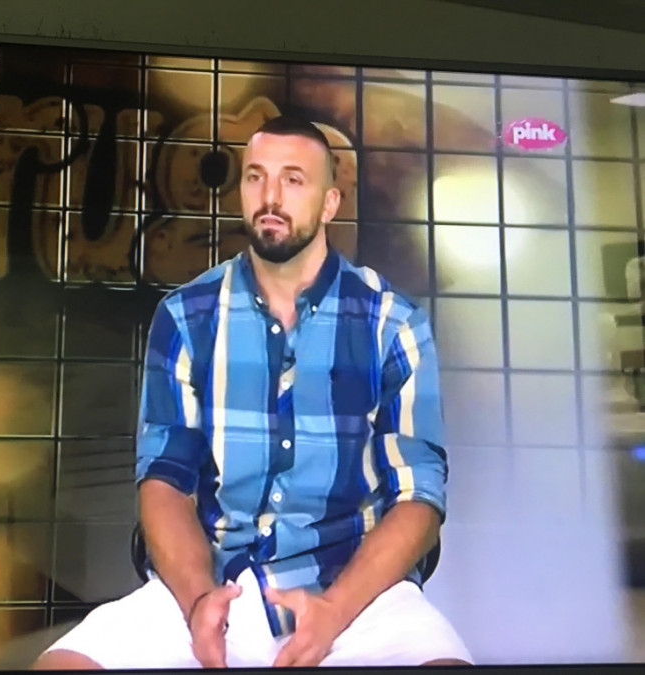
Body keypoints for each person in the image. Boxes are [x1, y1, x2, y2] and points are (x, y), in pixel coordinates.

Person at [33, 115, 473, 669]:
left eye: (293, 179)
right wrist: (198, 601)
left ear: (330, 203)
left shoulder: (394, 323)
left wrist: (335, 610)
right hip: (213, 585)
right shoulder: (186, 315)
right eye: (255, 176)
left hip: (356, 597)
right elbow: (165, 481)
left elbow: (418, 498)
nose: (270, 196)